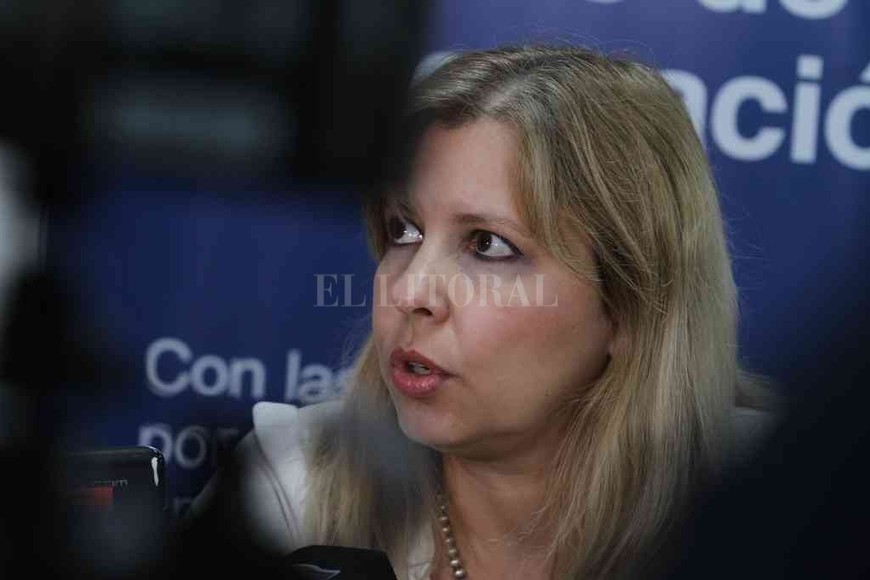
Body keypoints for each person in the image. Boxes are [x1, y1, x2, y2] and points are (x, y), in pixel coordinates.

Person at [190, 45, 770, 580]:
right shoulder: (290, 486)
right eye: (403, 230)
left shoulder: (778, 505)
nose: (409, 291)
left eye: (488, 245)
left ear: (627, 307)